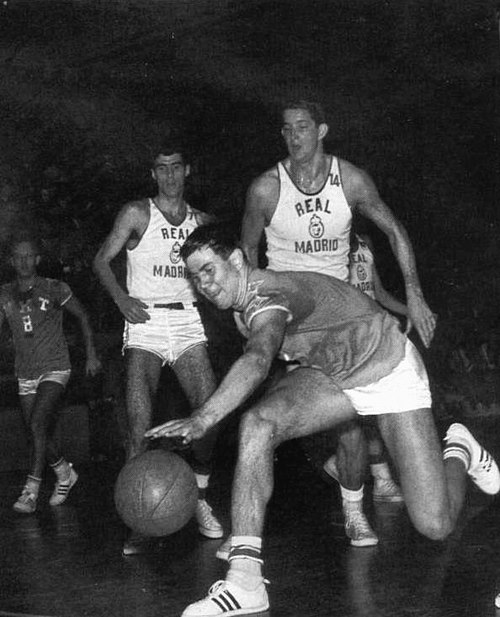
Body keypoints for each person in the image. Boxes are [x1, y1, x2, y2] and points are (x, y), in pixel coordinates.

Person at [146, 224, 499, 617]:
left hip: (388, 366)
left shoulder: (268, 297)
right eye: (195, 277)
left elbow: (259, 359)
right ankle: (244, 581)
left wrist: (204, 417)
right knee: (259, 423)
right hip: (335, 373)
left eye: (209, 270)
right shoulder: (242, 307)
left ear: (236, 260)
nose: (204, 284)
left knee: (435, 524)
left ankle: (458, 449)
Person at [240, 99, 437, 547]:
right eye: (287, 129)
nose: (294, 137)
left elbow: (395, 231)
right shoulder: (266, 189)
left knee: (347, 425)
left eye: (303, 127)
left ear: (322, 130)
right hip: (291, 315)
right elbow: (247, 251)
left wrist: (415, 295)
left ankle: (353, 512)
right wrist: (248, 310)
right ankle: (254, 538)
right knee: (282, 421)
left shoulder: (350, 180)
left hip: (342, 313)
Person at [93, 140, 223, 555]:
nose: (168, 175)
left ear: (187, 171)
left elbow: (223, 271)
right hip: (145, 322)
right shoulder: (137, 213)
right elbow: (101, 260)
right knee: (139, 423)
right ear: (153, 174)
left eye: (175, 167)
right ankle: (140, 519)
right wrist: (120, 299)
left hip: (186, 318)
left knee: (209, 413)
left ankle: (200, 498)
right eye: (161, 168)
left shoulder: (203, 221)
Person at [0, 233, 101, 514]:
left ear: (37, 259)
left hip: (56, 367)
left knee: (35, 425)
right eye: (18, 257)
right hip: (26, 371)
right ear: (11, 261)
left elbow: (82, 315)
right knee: (38, 430)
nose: (24, 261)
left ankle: (30, 491)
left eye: (29, 255)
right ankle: (65, 472)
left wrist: (91, 353)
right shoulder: (5, 293)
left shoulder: (54, 287)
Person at [322, 230, 407, 502]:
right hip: (348, 336)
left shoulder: (364, 241)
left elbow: (378, 291)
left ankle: (345, 464)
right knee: (366, 411)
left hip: (372, 333)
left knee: (374, 410)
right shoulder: (328, 244)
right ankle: (380, 479)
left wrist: (411, 310)